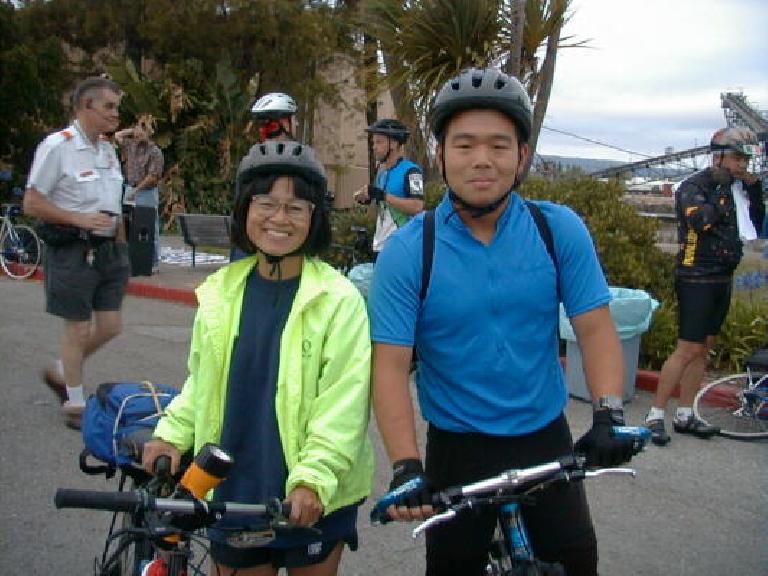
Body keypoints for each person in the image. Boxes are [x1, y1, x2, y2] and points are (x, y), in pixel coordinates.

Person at [367, 67, 636, 576]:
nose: (482, 160)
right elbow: (390, 365)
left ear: (523, 156)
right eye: (464, 145)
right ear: (441, 154)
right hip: (456, 446)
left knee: (577, 561)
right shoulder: (408, 251)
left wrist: (609, 414)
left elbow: (595, 328)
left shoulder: (557, 229)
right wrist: (406, 465)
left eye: (499, 145)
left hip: (544, 437)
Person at [142, 140, 374, 576]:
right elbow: (202, 382)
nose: (279, 219)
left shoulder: (338, 300)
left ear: (315, 218)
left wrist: (313, 480)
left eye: (296, 208)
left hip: (312, 497)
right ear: (245, 210)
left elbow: (345, 401)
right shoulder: (221, 291)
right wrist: (172, 434)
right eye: (266, 203)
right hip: (232, 487)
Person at [645, 127, 765, 446]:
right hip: (695, 275)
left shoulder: (738, 188)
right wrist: (721, 190)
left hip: (722, 276)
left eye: (746, 159)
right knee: (686, 349)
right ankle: (655, 414)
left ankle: (685, 413)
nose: (743, 165)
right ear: (719, 155)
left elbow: (757, 222)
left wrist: (754, 191)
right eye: (738, 158)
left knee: (704, 348)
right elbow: (701, 221)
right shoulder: (692, 186)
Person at [24, 76, 129, 430]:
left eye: (117, 106)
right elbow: (33, 201)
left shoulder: (107, 149)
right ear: (87, 107)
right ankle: (75, 402)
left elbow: (113, 200)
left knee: (111, 326)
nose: (116, 114)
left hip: (108, 249)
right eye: (109, 107)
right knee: (78, 328)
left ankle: (60, 371)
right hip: (72, 248)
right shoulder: (58, 147)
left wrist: (121, 244)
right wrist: (76, 218)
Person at [230, 92, 301, 263]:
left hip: (244, 246)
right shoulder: (292, 163)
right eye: (294, 119)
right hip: (270, 247)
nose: (297, 123)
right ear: (284, 123)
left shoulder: (251, 160)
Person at [354, 119, 424, 255]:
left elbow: (417, 206)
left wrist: (383, 195)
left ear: (394, 143)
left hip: (403, 247)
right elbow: (384, 209)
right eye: (373, 142)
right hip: (380, 246)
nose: (374, 147)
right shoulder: (382, 174)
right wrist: (366, 197)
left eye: (379, 142)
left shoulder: (412, 171)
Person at [114, 117, 164, 270]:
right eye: (138, 128)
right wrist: (132, 130)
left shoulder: (155, 152)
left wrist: (137, 190)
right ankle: (134, 260)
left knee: (149, 226)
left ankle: (153, 262)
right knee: (130, 225)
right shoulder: (131, 146)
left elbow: (153, 176)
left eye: (143, 129)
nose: (139, 132)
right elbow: (117, 136)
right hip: (130, 188)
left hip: (146, 192)